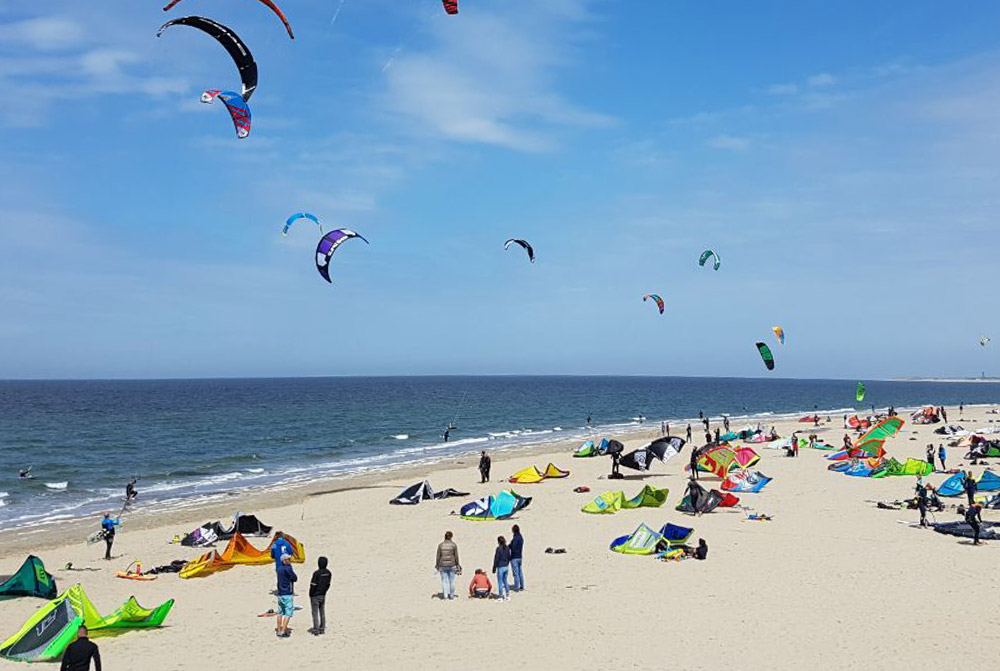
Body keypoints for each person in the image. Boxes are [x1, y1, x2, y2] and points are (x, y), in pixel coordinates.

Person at [308, 556, 331, 636]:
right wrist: (324, 591)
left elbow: (313, 585)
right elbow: (328, 584)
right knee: (322, 611)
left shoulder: (316, 573)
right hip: (323, 594)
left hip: (315, 595)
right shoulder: (328, 573)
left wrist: (310, 594)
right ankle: (322, 628)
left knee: (315, 613)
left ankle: (316, 629)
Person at [275, 554, 297, 638]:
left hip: (280, 593)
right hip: (287, 593)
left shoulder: (279, 569)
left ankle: (279, 629)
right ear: (284, 560)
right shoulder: (288, 568)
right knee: (288, 613)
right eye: (288, 559)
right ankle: (283, 630)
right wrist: (290, 568)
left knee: (280, 613)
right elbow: (294, 578)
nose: (289, 561)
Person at [435, 531, 461, 600]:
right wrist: (458, 564)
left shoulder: (441, 545)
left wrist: (437, 565)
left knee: (444, 581)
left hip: (443, 565)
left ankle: (445, 596)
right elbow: (456, 556)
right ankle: (452, 596)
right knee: (452, 581)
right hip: (452, 564)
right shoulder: (453, 545)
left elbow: (438, 556)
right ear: (451, 537)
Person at [492, 536, 511, 602]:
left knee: (500, 582)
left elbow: (496, 559)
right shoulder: (507, 548)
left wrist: (494, 567)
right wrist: (507, 563)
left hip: (500, 567)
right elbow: (509, 557)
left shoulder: (498, 549)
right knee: (505, 581)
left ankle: (500, 596)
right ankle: (508, 595)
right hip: (506, 566)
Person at [509, 524, 524, 593]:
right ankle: (522, 586)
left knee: (516, 573)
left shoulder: (515, 538)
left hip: (514, 557)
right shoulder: (521, 537)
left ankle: (517, 587)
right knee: (520, 572)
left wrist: (509, 547)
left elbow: (513, 547)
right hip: (520, 556)